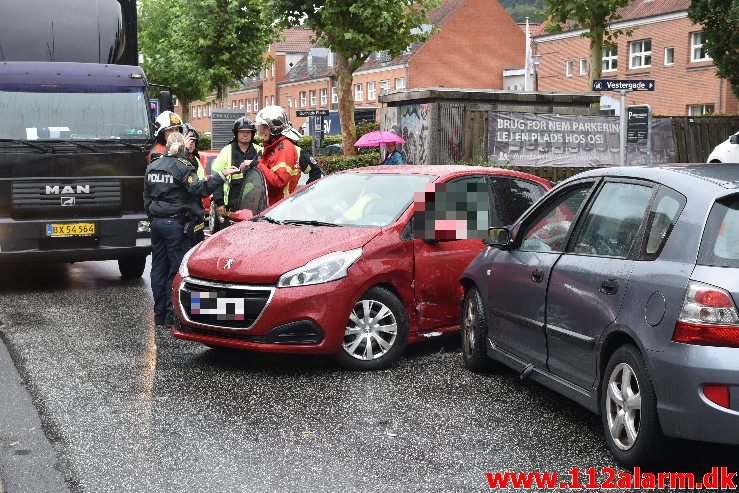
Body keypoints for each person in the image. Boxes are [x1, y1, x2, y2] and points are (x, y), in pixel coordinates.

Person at [144, 132, 240, 328]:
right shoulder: (182, 167)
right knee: (175, 269)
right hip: (174, 224)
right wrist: (221, 175)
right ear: (181, 147)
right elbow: (200, 189)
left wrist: (152, 217)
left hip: (156, 223)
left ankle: (159, 314)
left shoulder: (152, 166)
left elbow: (146, 197)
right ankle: (172, 315)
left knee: (158, 269)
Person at [210, 117, 263, 230]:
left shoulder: (259, 151)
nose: (245, 135)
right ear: (236, 133)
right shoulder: (227, 151)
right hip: (232, 205)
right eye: (242, 132)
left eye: (248, 132)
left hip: (256, 204)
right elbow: (216, 179)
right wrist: (219, 203)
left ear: (252, 134)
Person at [254, 105, 301, 205]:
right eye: (261, 126)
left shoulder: (284, 148)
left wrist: (258, 165)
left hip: (280, 208)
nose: (261, 130)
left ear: (275, 128)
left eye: (265, 127)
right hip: (273, 207)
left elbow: (280, 181)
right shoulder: (274, 148)